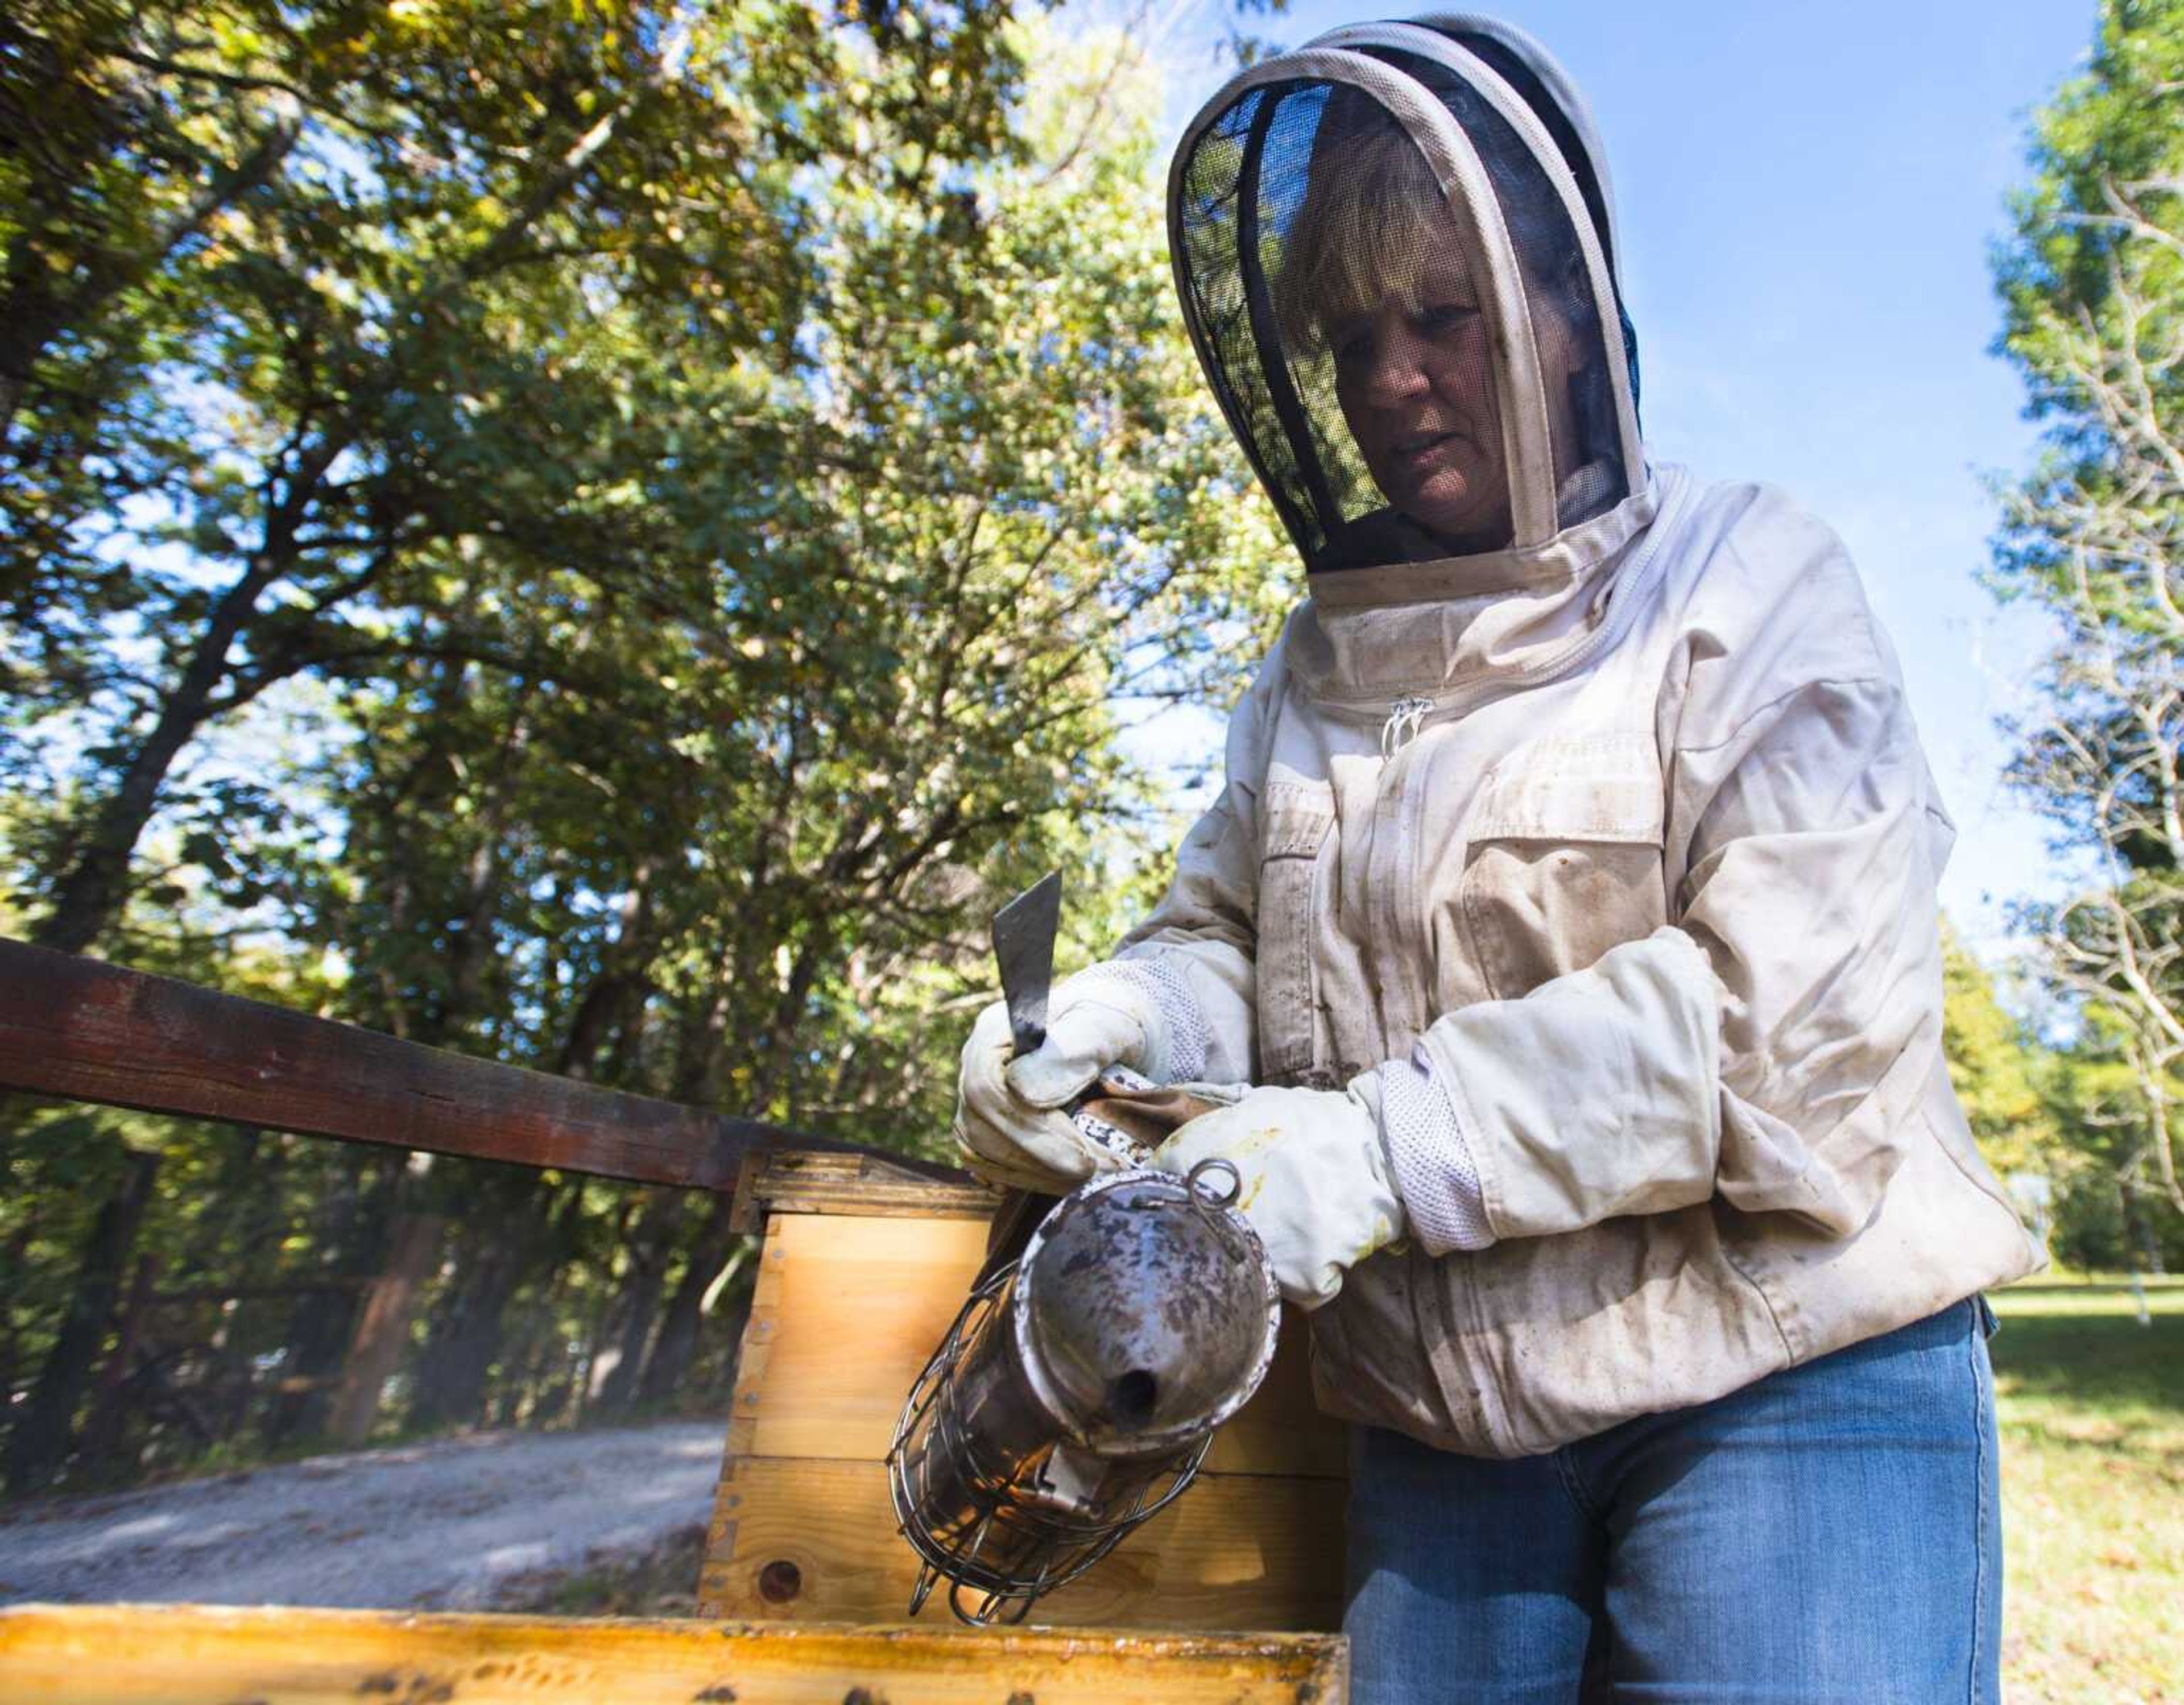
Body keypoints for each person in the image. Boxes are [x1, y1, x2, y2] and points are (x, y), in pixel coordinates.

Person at [953, 15, 2042, 1702]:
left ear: (1572, 321)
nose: (1391, 380)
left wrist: (1384, 1152)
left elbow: (1793, 1032)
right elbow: (1235, 947)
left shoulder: (1751, 585)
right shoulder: (1306, 672)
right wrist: (1118, 1022)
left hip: (1787, 1373)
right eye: (1352, 335)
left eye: (1445, 317)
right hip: (1447, 1435)